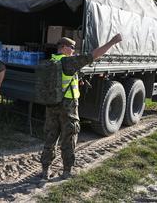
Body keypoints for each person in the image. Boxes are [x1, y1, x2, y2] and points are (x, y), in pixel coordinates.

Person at [40, 33, 122, 179]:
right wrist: (112, 42)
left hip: (51, 104)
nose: (73, 50)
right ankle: (66, 172)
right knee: (69, 136)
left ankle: (45, 170)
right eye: (71, 47)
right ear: (63, 47)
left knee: (50, 136)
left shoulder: (51, 61)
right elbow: (93, 55)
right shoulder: (68, 62)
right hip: (68, 105)